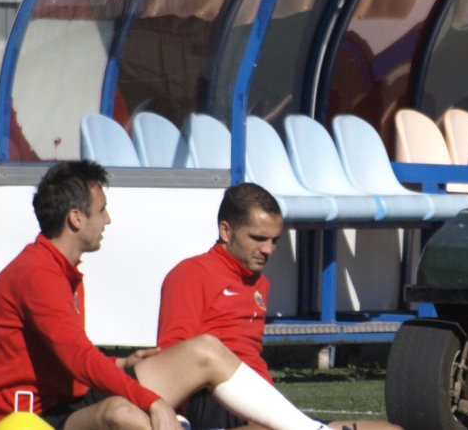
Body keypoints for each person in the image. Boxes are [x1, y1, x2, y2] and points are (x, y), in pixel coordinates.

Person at [0, 160, 338, 430]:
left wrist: (122, 364)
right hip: (26, 421)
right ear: (75, 218)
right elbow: (78, 359)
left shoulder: (59, 269)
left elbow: (66, 361)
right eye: (102, 210)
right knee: (129, 412)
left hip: (70, 402)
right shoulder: (37, 274)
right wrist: (154, 402)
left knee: (203, 351)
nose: (108, 220)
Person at [157, 182, 399, 430]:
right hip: (215, 401)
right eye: (258, 238)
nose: (268, 249)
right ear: (226, 231)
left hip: (263, 404)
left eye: (275, 240)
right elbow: (173, 361)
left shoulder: (260, 283)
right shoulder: (190, 275)